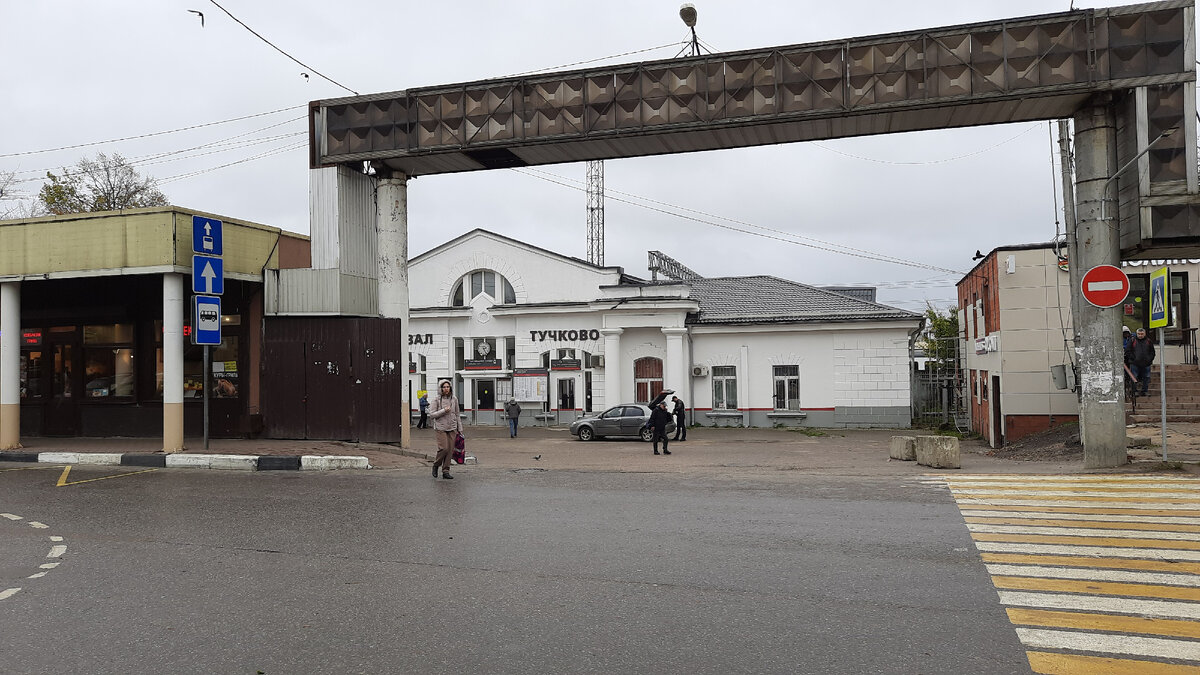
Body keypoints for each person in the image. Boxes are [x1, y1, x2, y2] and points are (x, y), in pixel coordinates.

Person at [428, 380, 463, 479]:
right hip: (441, 427)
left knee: (450, 450)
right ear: (441, 388)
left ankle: (446, 471)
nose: (446, 389)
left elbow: (457, 414)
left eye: (448, 387)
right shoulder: (436, 400)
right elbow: (431, 414)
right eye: (444, 387)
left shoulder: (454, 399)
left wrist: (460, 428)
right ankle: (436, 465)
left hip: (452, 427)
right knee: (444, 448)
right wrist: (444, 411)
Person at [1126, 327, 1156, 397]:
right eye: (1139, 334)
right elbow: (1127, 351)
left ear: (1145, 334)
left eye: (1142, 334)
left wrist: (1149, 359)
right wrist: (1133, 358)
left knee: (1146, 377)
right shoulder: (1132, 340)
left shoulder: (1148, 341)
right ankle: (1134, 391)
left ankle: (1144, 391)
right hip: (1135, 363)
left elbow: (1152, 352)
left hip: (1146, 363)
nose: (1140, 335)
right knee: (1134, 377)